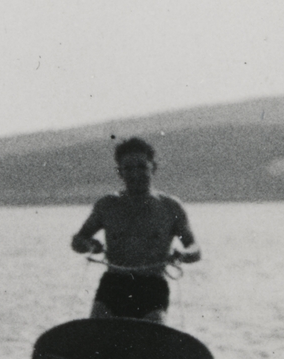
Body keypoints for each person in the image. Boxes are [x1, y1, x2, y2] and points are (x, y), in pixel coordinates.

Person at [70, 137, 200, 322]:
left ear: (153, 168)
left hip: (152, 286)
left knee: (152, 332)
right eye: (128, 169)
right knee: (98, 332)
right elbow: (78, 241)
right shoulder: (107, 206)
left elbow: (195, 248)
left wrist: (182, 255)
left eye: (141, 167)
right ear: (119, 172)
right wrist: (88, 245)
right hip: (114, 285)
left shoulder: (170, 207)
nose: (135, 174)